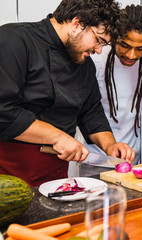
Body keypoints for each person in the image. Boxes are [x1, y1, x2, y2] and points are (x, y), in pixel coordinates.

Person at [0, 0, 135, 187]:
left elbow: (91, 112)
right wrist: (58, 137)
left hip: (56, 173)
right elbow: (3, 111)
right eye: (99, 40)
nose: (98, 50)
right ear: (76, 24)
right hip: (8, 173)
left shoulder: (84, 63)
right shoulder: (14, 40)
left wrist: (110, 146)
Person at [81, 4, 142, 166]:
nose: (131, 55)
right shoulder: (94, 60)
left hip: (130, 158)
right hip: (94, 157)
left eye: (140, 49)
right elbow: (85, 113)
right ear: (115, 37)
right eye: (125, 45)